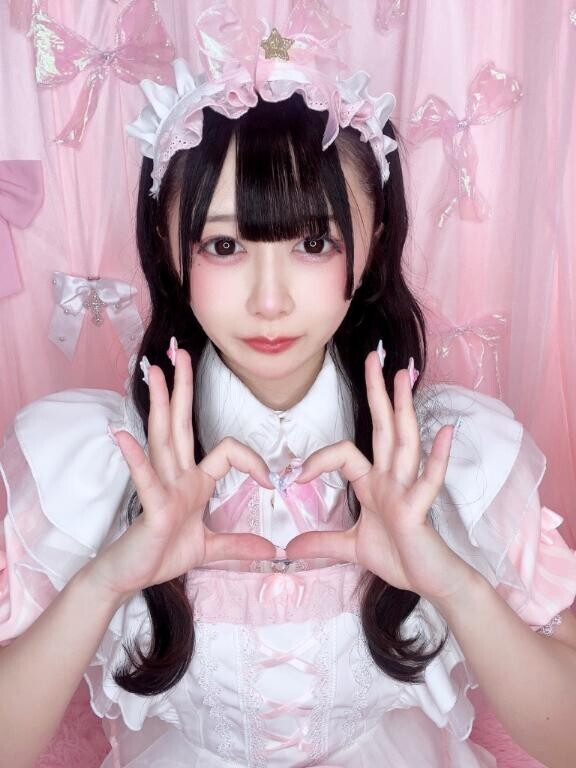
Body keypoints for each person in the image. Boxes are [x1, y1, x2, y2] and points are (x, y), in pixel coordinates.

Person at [1, 5, 576, 767]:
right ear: (169, 250)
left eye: (313, 241)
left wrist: (455, 586)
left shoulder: (450, 452)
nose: (269, 302)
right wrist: (104, 582)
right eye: (224, 245)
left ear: (372, 246)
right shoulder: (103, 456)